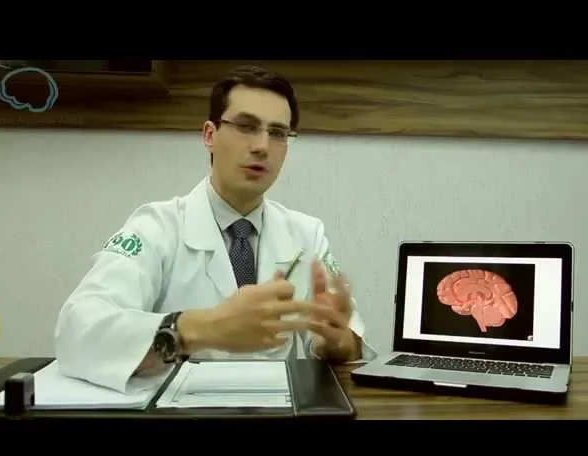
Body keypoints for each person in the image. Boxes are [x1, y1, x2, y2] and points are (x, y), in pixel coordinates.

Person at [54, 65, 376, 393]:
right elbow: (78, 329)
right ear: (210, 135)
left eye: (278, 132)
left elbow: (348, 344)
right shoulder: (156, 227)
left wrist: (336, 342)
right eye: (246, 126)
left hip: (280, 407)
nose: (262, 146)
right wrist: (203, 328)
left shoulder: (308, 234)